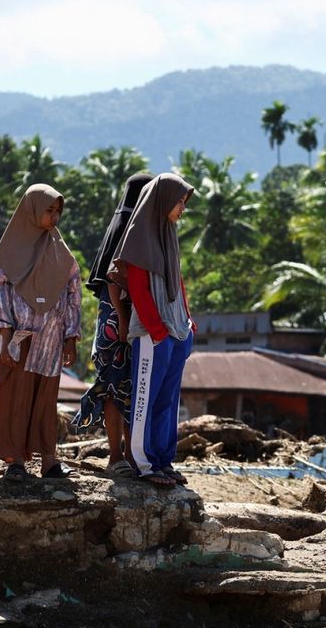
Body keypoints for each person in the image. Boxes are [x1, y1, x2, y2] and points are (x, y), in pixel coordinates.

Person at [0, 184, 80, 482]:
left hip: (51, 343)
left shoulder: (61, 252)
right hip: (23, 340)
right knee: (17, 400)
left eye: (58, 210)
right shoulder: (10, 253)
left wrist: (71, 337)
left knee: (46, 402)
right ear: (31, 210)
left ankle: (49, 461)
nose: (55, 215)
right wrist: (5, 339)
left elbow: (73, 294)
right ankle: (15, 461)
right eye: (49, 209)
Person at [106, 173, 196, 488]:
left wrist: (187, 320)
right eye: (179, 202)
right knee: (145, 399)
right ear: (162, 201)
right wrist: (156, 330)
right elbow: (139, 290)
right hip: (151, 333)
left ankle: (163, 460)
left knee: (168, 401)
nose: (182, 209)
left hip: (176, 331)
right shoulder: (140, 236)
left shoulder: (168, 234)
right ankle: (143, 464)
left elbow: (178, 281)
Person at [72, 173, 153, 478]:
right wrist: (122, 319)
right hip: (119, 322)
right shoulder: (130, 230)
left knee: (123, 389)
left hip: (117, 320)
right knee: (118, 389)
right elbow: (112, 281)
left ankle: (128, 457)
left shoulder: (122, 226)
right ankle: (118, 457)